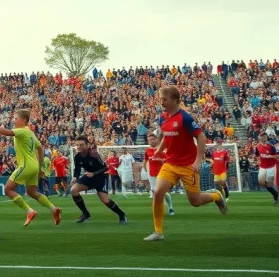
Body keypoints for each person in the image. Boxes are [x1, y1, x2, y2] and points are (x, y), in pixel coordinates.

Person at [144, 86, 227, 242]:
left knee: (195, 201)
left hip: (188, 165)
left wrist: (197, 160)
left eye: (164, 99)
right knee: (157, 193)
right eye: (161, 99)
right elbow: (165, 137)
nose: (161, 102)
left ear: (174, 100)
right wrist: (159, 149)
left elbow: (201, 138)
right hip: (170, 164)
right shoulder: (163, 118)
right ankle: (158, 232)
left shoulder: (185, 118)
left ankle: (216, 196)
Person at [0, 110, 61, 227]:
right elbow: (40, 148)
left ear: (24, 121)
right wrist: (39, 166)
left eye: (16, 118)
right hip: (34, 166)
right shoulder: (30, 133)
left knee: (8, 189)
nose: (13, 120)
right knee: (32, 192)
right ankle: (53, 209)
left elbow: (3, 131)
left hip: (26, 165)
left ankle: (29, 211)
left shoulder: (21, 131)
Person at [70, 135, 128, 225]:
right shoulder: (77, 157)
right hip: (89, 177)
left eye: (81, 145)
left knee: (105, 200)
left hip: (101, 177)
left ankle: (122, 214)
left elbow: (105, 168)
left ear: (87, 145)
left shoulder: (94, 154)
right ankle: (86, 214)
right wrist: (74, 177)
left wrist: (94, 174)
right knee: (74, 190)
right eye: (77, 145)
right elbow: (77, 169)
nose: (79, 147)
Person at [143, 134, 173, 215]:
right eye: (149, 139)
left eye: (152, 139)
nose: (151, 141)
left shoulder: (164, 149)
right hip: (152, 174)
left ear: (157, 139)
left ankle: (170, 208)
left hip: (163, 174)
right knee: (154, 191)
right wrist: (146, 169)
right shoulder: (148, 150)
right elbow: (145, 161)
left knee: (161, 192)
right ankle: (162, 209)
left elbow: (170, 160)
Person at [255, 132, 279, 204]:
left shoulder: (271, 146)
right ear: (260, 138)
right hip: (262, 166)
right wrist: (258, 160)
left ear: (267, 137)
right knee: (261, 182)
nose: (263, 138)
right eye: (262, 137)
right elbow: (257, 155)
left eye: (264, 137)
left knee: (269, 183)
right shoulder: (257, 146)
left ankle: (275, 195)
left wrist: (269, 156)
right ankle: (275, 193)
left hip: (271, 166)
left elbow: (277, 156)